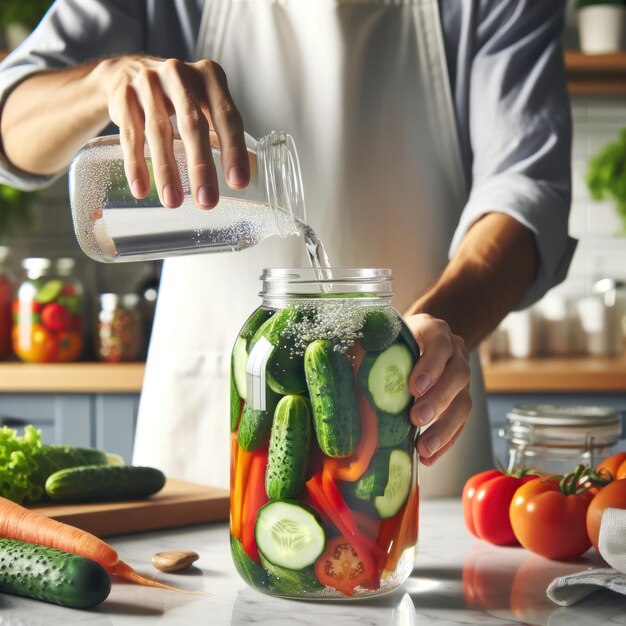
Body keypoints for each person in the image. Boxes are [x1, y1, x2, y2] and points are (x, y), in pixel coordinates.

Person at [0, 0, 575, 496]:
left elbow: (527, 193)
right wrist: (105, 80)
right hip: (204, 438)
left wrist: (430, 332)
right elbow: (12, 124)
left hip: (418, 417)